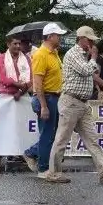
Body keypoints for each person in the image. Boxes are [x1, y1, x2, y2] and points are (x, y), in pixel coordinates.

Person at [44, 26, 103, 184]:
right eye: (90, 39)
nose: (92, 42)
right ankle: (53, 172)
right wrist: (94, 56)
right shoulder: (73, 53)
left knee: (91, 138)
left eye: (93, 40)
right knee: (61, 139)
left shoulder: (84, 55)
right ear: (81, 39)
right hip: (71, 101)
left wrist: (92, 57)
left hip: (83, 102)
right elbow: (86, 71)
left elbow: (92, 74)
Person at [25, 23, 66, 178]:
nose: (60, 38)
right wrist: (43, 106)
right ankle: (43, 169)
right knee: (47, 135)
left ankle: (34, 155)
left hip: (54, 97)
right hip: (46, 98)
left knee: (53, 134)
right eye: (58, 35)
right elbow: (38, 83)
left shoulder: (53, 53)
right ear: (50, 37)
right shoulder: (41, 55)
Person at [0, 36, 32, 100]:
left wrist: (20, 92)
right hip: (6, 94)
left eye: (19, 44)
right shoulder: (1, 58)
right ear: (8, 44)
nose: (18, 46)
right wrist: (16, 84)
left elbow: (31, 76)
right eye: (15, 44)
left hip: (23, 94)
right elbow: (0, 77)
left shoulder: (26, 59)